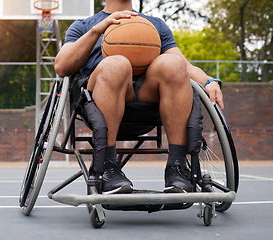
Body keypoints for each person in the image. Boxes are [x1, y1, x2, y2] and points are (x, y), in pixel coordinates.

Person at [54, 0, 224, 194]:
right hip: (98, 100)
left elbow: (186, 65)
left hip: (146, 100)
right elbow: (61, 66)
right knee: (116, 64)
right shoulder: (83, 26)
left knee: (173, 63)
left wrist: (209, 81)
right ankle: (108, 165)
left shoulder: (155, 25)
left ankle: (177, 166)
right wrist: (97, 31)